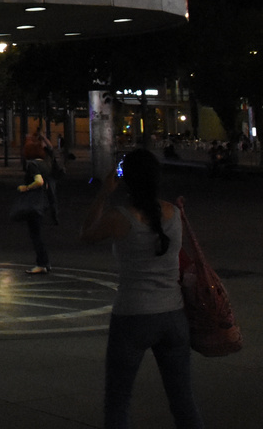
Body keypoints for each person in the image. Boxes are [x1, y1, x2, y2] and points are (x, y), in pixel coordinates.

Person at [80, 149, 203, 429]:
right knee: (183, 400)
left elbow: (85, 235)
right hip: (173, 315)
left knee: (118, 400)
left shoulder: (119, 217)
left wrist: (103, 192)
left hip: (133, 315)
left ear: (126, 180)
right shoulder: (174, 213)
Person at [15, 149, 52, 274]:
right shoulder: (44, 164)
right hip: (43, 201)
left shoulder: (33, 165)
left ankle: (41, 263)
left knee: (35, 234)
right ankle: (45, 262)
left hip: (33, 203)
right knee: (38, 233)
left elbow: (39, 181)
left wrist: (26, 188)